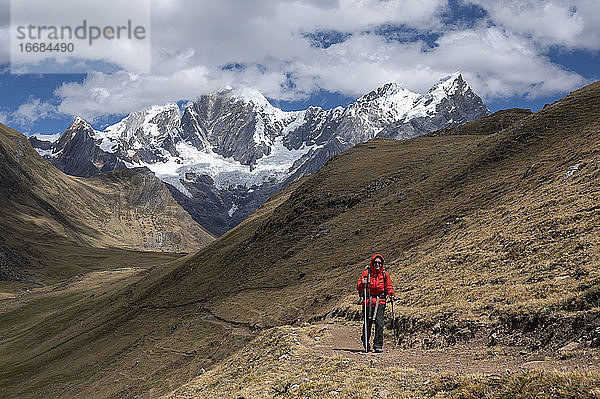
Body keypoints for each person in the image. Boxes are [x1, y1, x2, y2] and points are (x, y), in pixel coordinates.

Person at [357, 254, 395, 353]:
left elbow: (389, 286)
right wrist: (362, 283)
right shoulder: (366, 273)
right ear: (372, 263)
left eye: (379, 263)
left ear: (382, 264)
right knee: (367, 323)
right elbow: (359, 287)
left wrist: (391, 294)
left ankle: (378, 345)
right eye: (376, 262)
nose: (377, 264)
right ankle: (365, 341)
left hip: (380, 301)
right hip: (367, 302)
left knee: (379, 323)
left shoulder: (384, 274)